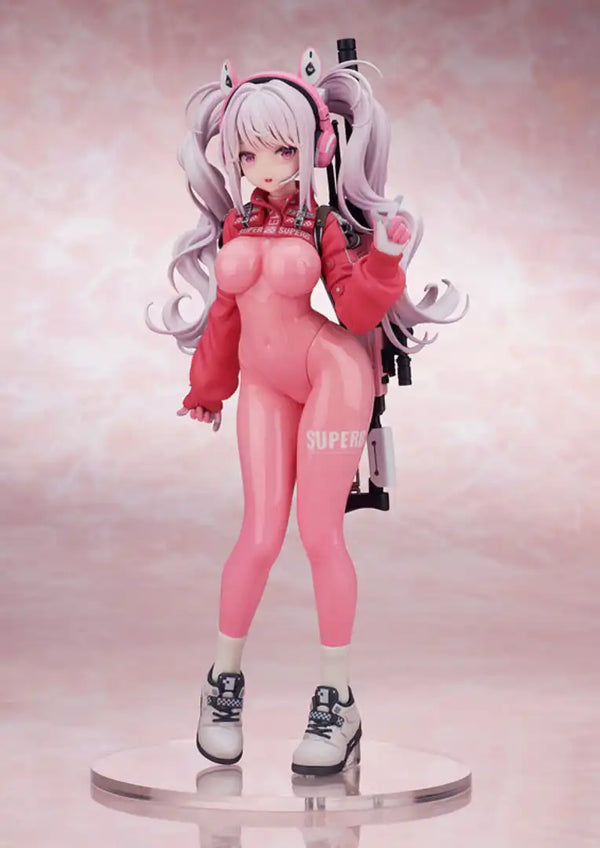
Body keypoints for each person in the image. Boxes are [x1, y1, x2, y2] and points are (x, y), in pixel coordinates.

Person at [147, 47, 465, 776]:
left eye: (282, 149)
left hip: (332, 376)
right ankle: (221, 684)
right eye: (248, 152)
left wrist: (386, 260)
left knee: (320, 534)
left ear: (315, 148)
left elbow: (353, 307)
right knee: (259, 537)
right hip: (263, 385)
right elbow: (225, 316)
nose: (265, 165)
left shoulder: (320, 225)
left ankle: (336, 700)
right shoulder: (234, 224)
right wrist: (207, 388)